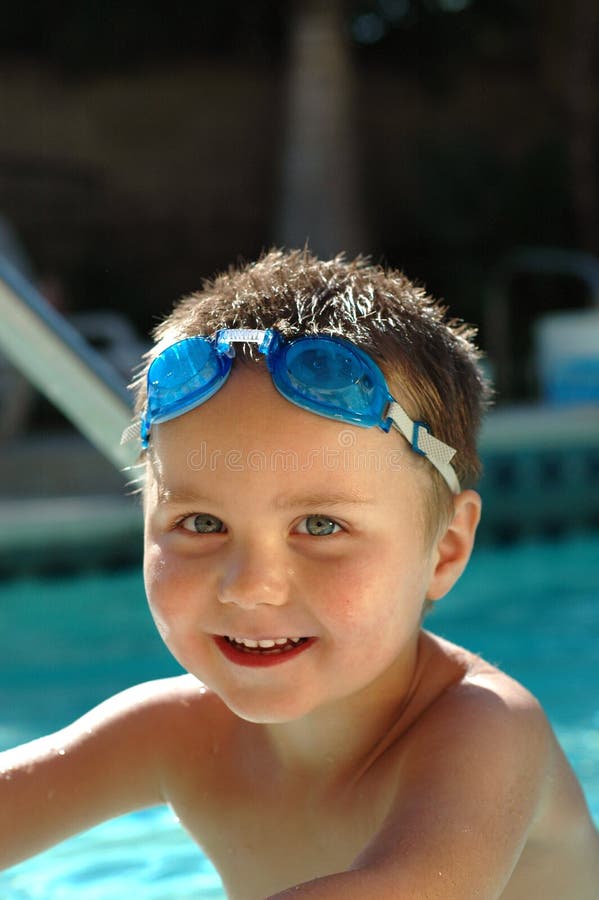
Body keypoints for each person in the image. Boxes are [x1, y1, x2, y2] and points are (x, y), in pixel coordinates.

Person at [1, 249, 597, 899]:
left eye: (319, 527)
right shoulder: (172, 734)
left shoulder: (484, 732)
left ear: (445, 551)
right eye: (201, 524)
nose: (250, 584)